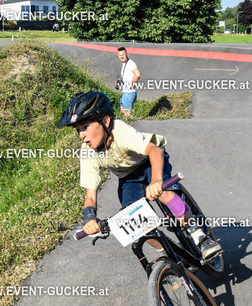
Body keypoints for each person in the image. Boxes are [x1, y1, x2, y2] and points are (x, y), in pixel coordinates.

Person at [57, 90, 222, 259]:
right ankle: (170, 253)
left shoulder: (120, 131)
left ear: (105, 121)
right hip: (129, 177)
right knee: (135, 222)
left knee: (164, 193)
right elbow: (90, 195)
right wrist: (89, 218)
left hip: (150, 160)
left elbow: (154, 150)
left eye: (85, 127)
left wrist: (156, 181)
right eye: (78, 130)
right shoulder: (88, 152)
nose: (81, 135)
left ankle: (199, 236)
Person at [116, 47, 140, 117]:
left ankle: (133, 122)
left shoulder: (131, 64)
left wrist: (131, 84)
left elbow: (137, 74)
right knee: (122, 110)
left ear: (127, 54)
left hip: (129, 93)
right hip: (125, 92)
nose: (121, 56)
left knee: (127, 115)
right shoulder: (124, 63)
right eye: (120, 55)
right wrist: (120, 82)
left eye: (123, 54)